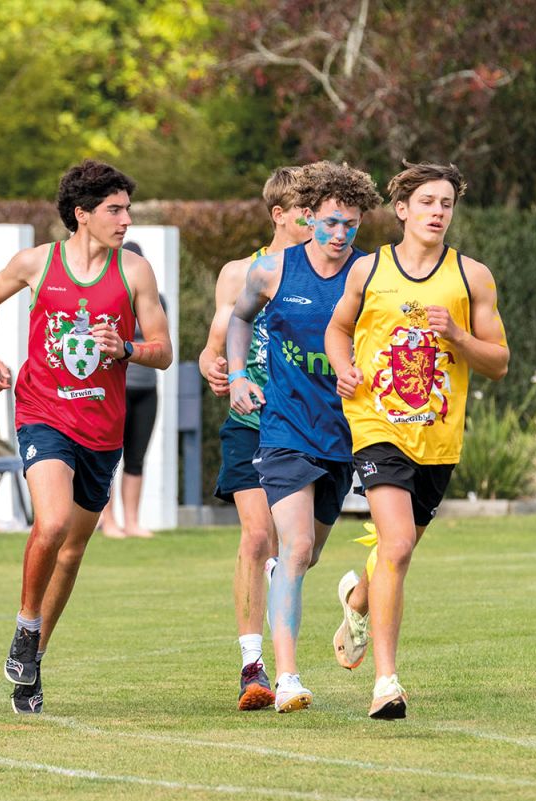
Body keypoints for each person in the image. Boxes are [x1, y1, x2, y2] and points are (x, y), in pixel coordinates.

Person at [0, 160, 172, 715]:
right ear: (81, 215)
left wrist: (125, 348)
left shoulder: (135, 273)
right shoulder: (37, 263)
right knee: (53, 523)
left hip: (103, 431)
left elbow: (164, 351)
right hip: (43, 413)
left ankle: (33, 657)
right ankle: (24, 623)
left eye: (127, 209)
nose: (126, 219)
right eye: (115, 209)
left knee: (73, 549)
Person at [325, 161, 510, 719]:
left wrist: (456, 335)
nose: (437, 211)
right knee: (398, 544)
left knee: (397, 553)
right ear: (402, 209)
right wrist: (342, 367)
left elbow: (498, 361)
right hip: (376, 424)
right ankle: (386, 683)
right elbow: (338, 328)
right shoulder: (368, 270)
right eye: (427, 201)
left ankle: (358, 599)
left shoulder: (471, 276)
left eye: (446, 203)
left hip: (438, 437)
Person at [226, 161, 383, 713]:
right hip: (286, 428)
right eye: (331, 223)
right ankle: (287, 678)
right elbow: (239, 320)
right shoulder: (271, 271)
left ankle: (293, 585)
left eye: (351, 226)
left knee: (308, 553)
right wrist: (240, 373)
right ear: (309, 217)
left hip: (345, 432)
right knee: (292, 547)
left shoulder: (370, 274)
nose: (340, 235)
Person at [198, 165, 311, 710]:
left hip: (308, 428)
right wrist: (213, 367)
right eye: (304, 213)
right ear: (279, 216)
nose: (316, 223)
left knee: (299, 551)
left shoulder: (333, 274)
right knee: (256, 535)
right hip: (249, 423)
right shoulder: (240, 272)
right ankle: (252, 666)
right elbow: (214, 343)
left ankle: (295, 605)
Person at [98, 241, 165, 540]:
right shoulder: (109, 297)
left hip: (147, 388)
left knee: (137, 457)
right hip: (116, 387)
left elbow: (160, 341)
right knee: (110, 455)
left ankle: (133, 521)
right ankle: (109, 520)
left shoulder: (157, 298)